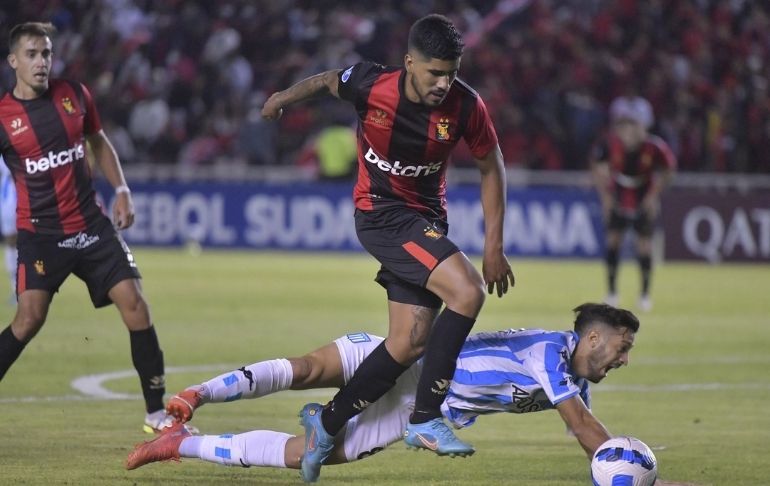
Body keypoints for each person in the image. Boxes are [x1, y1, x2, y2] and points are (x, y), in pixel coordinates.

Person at [260, 14, 515, 482]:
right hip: (380, 213)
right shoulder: (371, 84)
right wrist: (280, 98)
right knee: (468, 291)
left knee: (408, 342)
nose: (444, 83)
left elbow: (491, 165)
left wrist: (493, 246)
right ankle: (425, 418)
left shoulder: (465, 106)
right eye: (435, 72)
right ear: (409, 63)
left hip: (426, 220)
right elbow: (323, 81)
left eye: (452, 72)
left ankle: (326, 423)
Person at [126, 303, 658, 479]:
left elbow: (591, 438)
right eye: (622, 347)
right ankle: (195, 395)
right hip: (408, 356)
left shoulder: (570, 375)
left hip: (414, 408)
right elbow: (587, 432)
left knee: (312, 454)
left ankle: (179, 444)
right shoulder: (550, 355)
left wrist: (638, 476)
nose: (625, 359)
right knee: (310, 368)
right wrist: (640, 477)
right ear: (593, 337)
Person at [0, 22, 176, 433]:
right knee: (29, 319)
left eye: (46, 53)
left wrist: (122, 189)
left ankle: (157, 414)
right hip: (41, 233)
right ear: (13, 62)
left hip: (91, 224)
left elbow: (98, 140)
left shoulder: (74, 94)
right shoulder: (5, 117)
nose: (41, 62)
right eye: (32, 54)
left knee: (135, 304)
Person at [590, 95, 676, 312]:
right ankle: (611, 292)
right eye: (623, 126)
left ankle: (645, 295)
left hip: (643, 193)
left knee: (644, 245)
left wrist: (653, 195)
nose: (627, 132)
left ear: (643, 126)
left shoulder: (655, 148)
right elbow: (598, 168)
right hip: (619, 193)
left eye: (632, 125)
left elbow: (668, 170)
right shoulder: (609, 145)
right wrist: (606, 198)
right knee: (613, 242)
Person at [0, 158, 18, 303]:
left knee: (25, 240)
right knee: (11, 240)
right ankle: (15, 287)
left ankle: (24, 287)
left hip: (22, 191)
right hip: (7, 194)